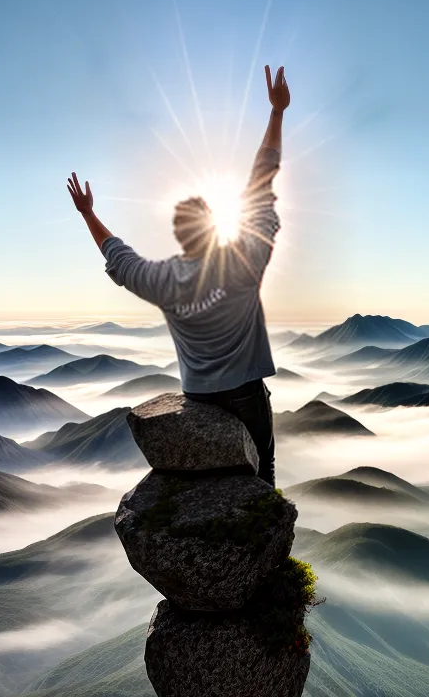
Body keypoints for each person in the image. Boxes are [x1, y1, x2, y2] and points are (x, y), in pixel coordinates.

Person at [67, 65, 290, 485]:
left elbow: (119, 257)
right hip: (245, 391)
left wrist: (88, 213)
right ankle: (267, 546)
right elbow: (262, 179)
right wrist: (277, 113)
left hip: (198, 394)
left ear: (180, 236)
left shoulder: (164, 280)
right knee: (264, 470)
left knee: (213, 480)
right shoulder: (243, 260)